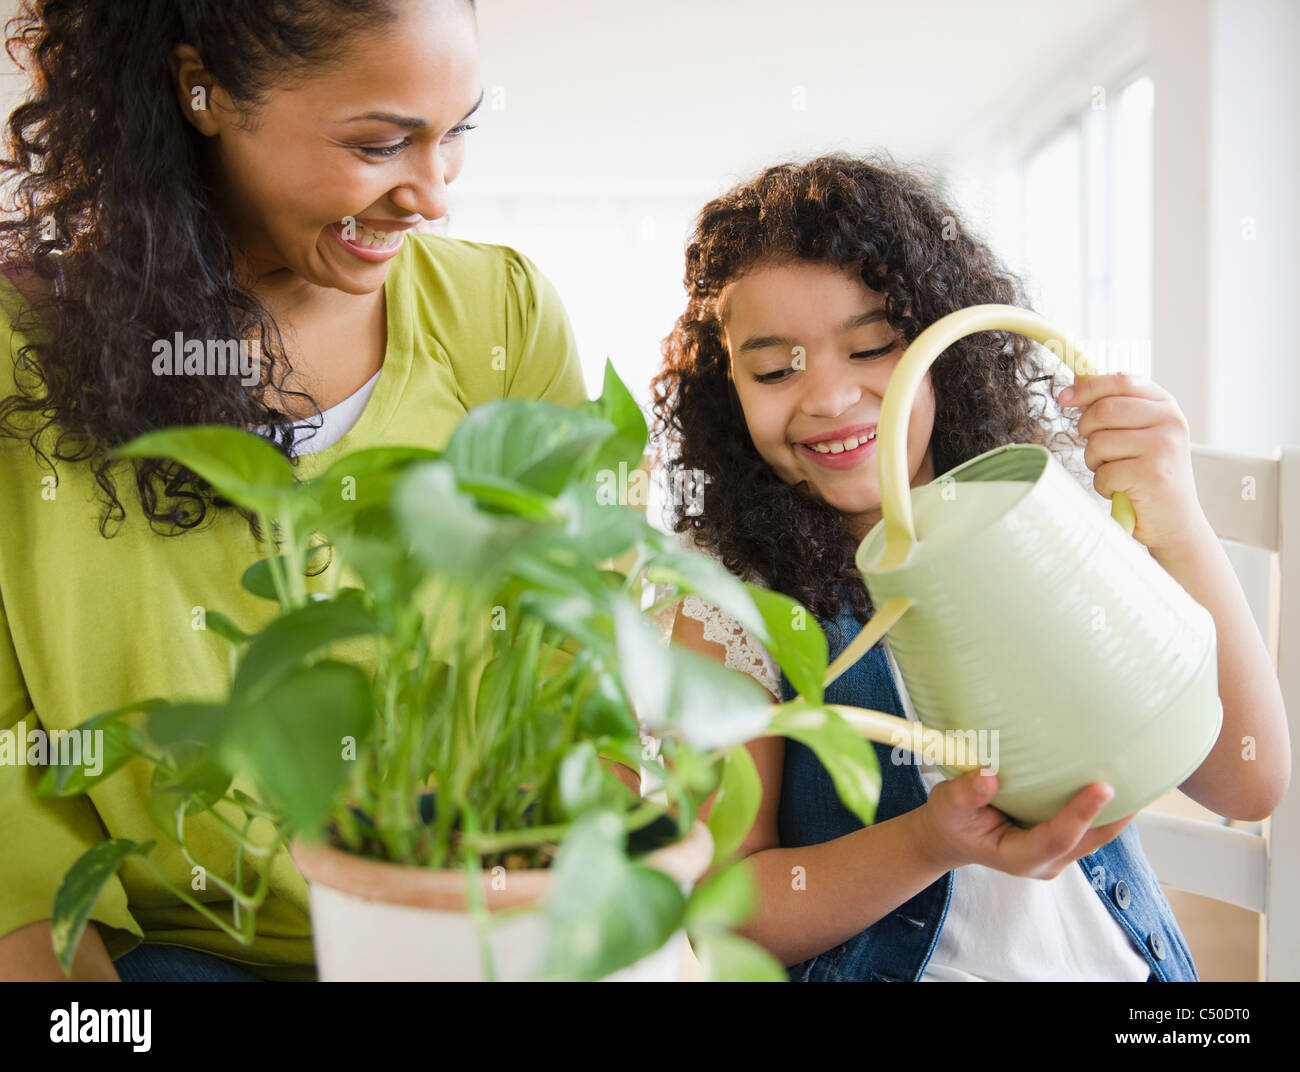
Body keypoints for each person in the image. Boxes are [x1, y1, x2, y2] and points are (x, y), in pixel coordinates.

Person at [0, 0, 587, 982]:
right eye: (379, 143)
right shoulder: (21, 345)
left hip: (461, 923)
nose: (433, 195)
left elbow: (579, 628)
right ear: (203, 91)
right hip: (165, 950)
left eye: (455, 136)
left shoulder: (501, 313)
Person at [650, 154, 1290, 981]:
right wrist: (926, 843)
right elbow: (729, 913)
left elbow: (1246, 779)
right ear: (725, 386)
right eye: (775, 370)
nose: (829, 398)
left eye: (874, 346)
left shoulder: (1043, 524)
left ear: (941, 348)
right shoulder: (730, 602)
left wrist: (1177, 520)